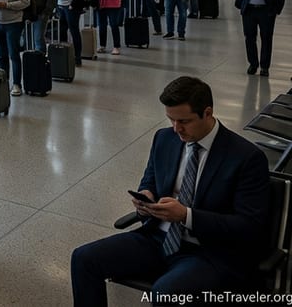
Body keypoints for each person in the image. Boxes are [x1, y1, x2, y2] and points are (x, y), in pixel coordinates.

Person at [69, 77, 271, 306]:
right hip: (158, 238)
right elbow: (150, 179)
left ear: (207, 113)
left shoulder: (246, 157)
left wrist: (186, 215)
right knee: (83, 258)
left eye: (184, 121)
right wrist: (146, 197)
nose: (176, 128)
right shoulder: (165, 138)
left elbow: (250, 226)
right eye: (171, 119)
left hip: (208, 252)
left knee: (165, 292)